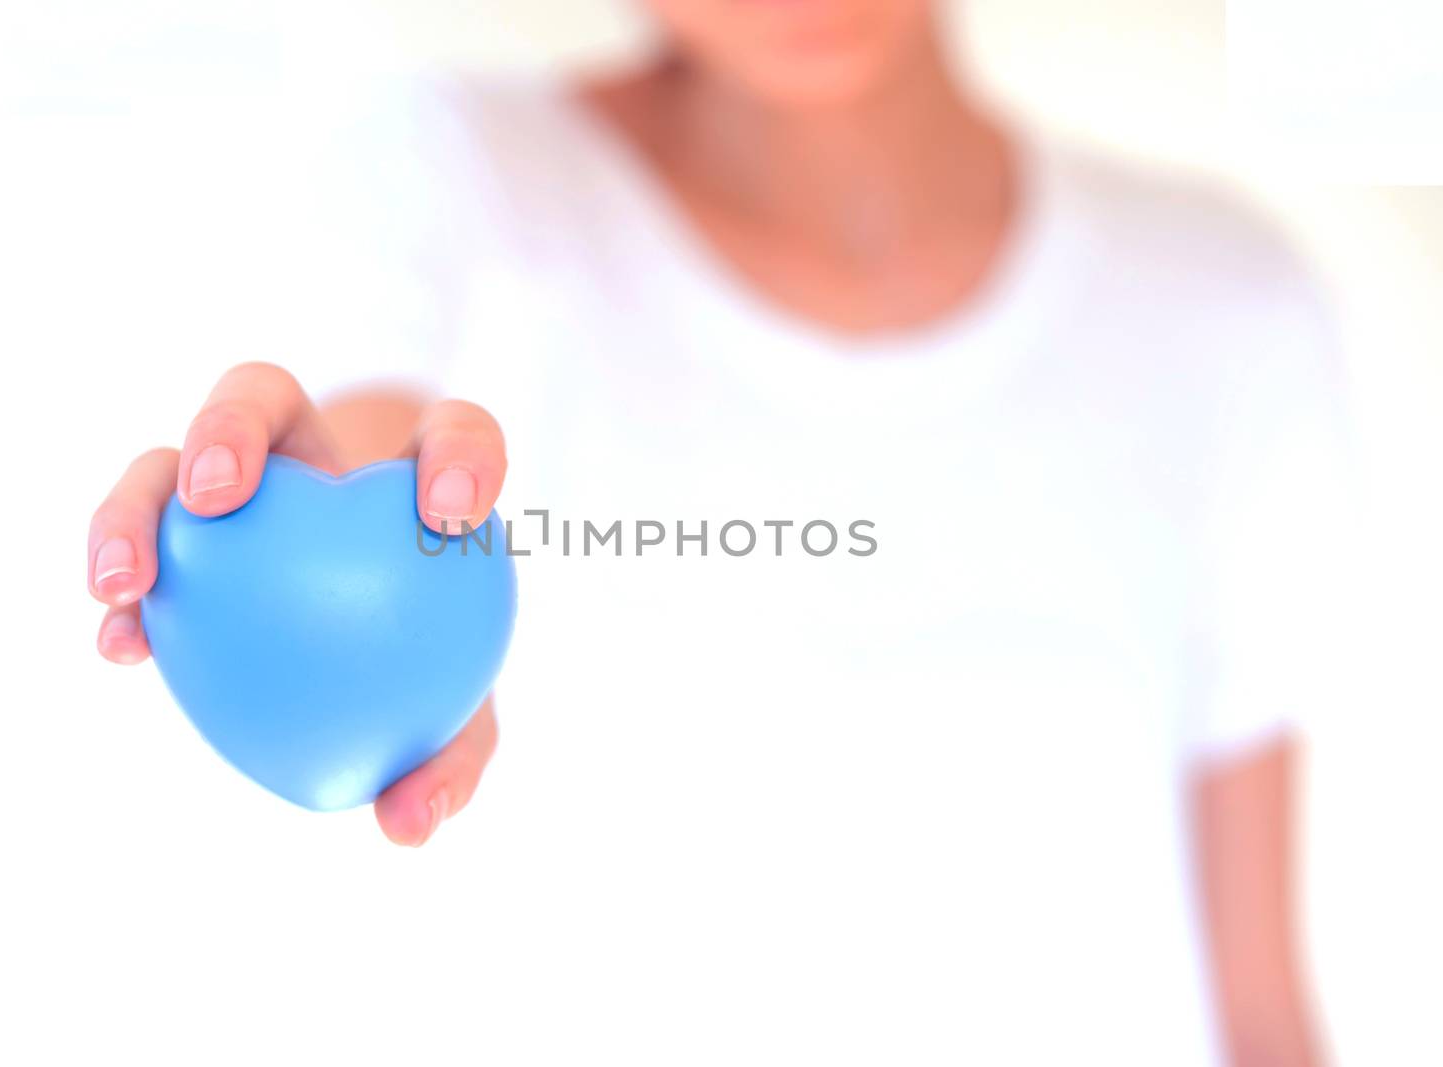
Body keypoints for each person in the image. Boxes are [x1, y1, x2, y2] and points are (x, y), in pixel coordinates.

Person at [85, 2, 1349, 1063]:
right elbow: (369, 442)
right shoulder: (446, 172)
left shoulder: (1229, 307)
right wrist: (324, 563)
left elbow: (1257, 1003)